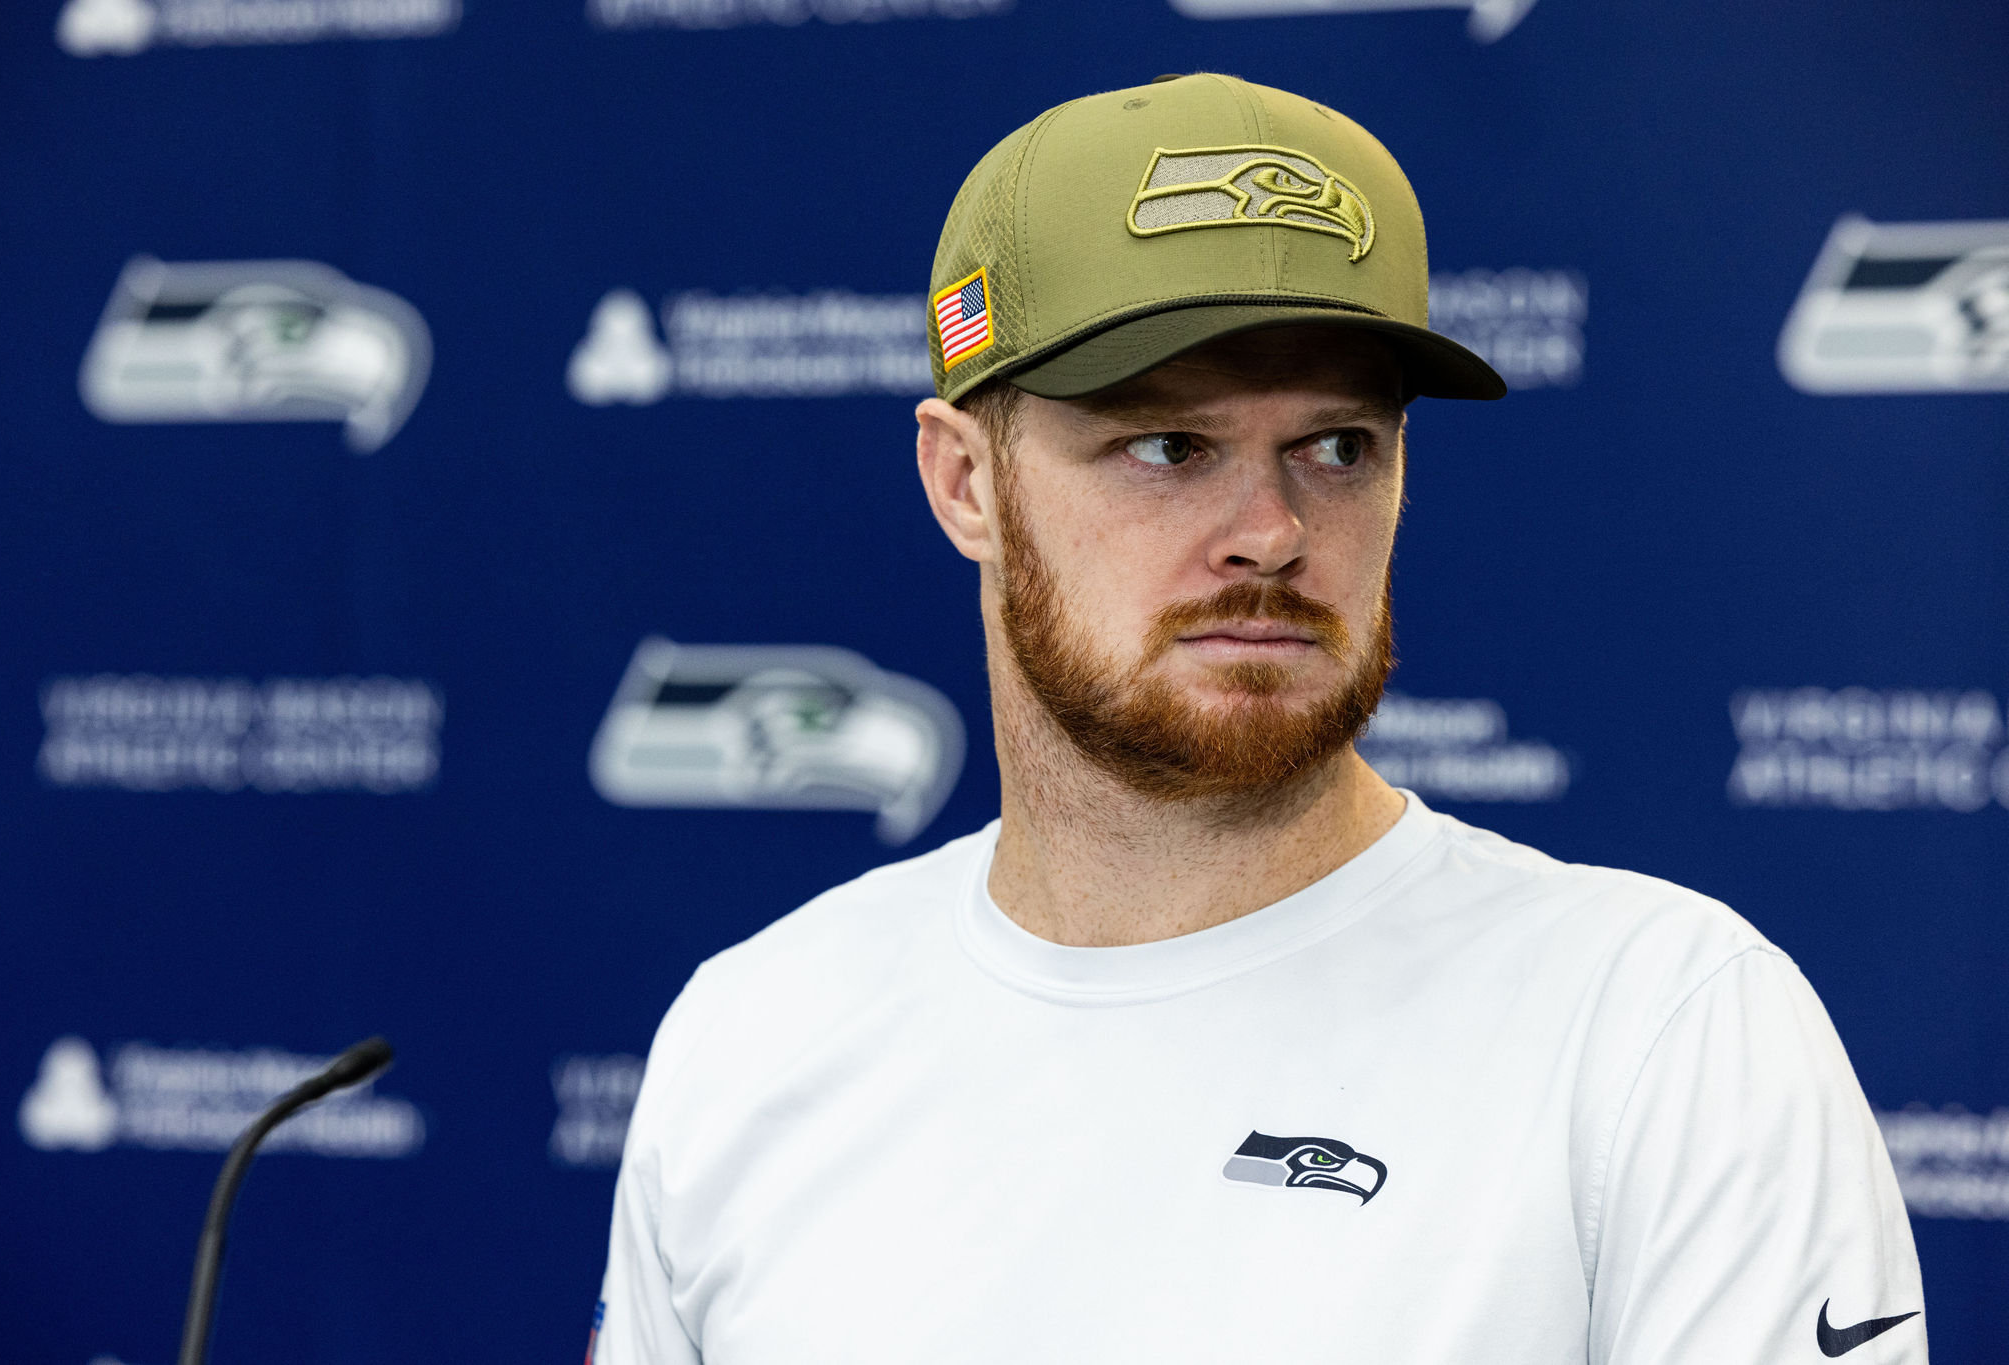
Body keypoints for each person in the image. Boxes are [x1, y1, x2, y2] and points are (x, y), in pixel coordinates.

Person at [591, 73, 1925, 1363]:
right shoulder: (754, 1034)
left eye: (1339, 445)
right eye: (1169, 446)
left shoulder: (1664, 1032)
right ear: (965, 484)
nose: (1273, 532)